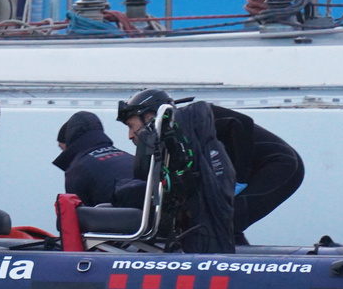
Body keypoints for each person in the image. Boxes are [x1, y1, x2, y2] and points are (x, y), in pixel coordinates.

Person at [117, 88, 304, 243]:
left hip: (281, 165)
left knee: (225, 220)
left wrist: (239, 179)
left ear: (149, 117)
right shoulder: (172, 138)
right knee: (215, 220)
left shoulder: (192, 117)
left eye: (131, 126)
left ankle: (233, 273)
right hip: (262, 168)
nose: (130, 135)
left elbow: (242, 123)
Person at [52, 111, 144, 207]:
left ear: (69, 145)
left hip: (120, 220)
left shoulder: (77, 170)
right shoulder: (131, 158)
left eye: (62, 149)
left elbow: (76, 217)